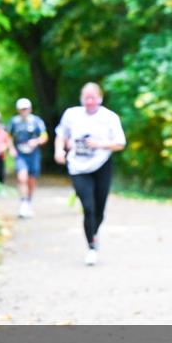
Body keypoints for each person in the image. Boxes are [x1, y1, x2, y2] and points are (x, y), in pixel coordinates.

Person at [54, 83, 126, 266]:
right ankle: (91, 247)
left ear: (100, 98)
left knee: (100, 210)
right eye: (86, 97)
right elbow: (61, 134)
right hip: (78, 166)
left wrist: (99, 144)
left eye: (93, 97)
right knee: (88, 206)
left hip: (102, 165)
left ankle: (94, 232)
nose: (90, 101)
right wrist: (58, 150)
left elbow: (120, 143)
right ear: (81, 99)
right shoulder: (72, 114)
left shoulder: (109, 117)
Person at [9, 98, 48, 218]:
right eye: (21, 109)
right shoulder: (14, 122)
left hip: (33, 154)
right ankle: (23, 202)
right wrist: (11, 149)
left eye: (25, 109)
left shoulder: (37, 121)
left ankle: (29, 201)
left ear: (30, 109)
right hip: (20, 154)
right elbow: (8, 136)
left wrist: (36, 141)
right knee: (22, 177)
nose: (23, 111)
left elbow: (44, 136)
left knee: (31, 180)